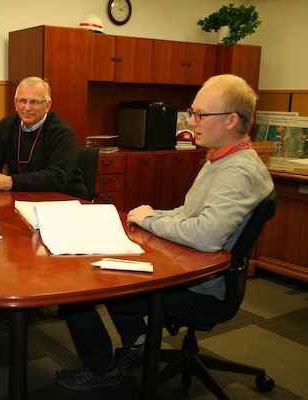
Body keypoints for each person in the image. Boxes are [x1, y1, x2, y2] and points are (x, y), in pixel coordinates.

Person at [54, 74, 274, 391]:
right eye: (192, 112)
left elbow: (206, 235)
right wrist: (153, 214)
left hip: (203, 287)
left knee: (78, 292)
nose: (191, 121)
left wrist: (149, 221)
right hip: (192, 266)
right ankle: (139, 340)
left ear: (231, 120)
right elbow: (191, 213)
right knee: (107, 266)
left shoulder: (238, 171)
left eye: (200, 115)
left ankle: (102, 369)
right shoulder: (221, 157)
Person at [0, 76, 87, 199]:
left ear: (47, 106)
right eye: (22, 101)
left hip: (64, 202)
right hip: (23, 198)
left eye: (34, 102)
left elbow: (57, 178)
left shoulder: (62, 132)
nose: (27, 108)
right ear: (15, 104)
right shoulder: (6, 126)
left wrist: (10, 182)